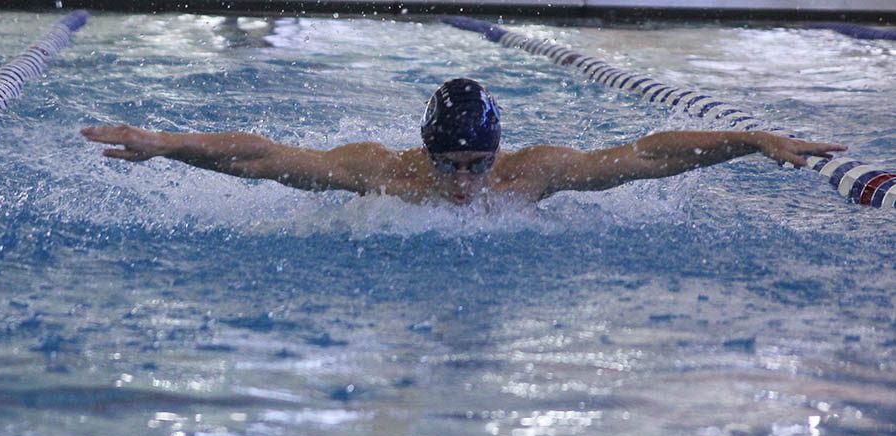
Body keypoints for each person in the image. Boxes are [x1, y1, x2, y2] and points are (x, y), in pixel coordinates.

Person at [81, 78, 845, 206]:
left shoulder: (534, 175)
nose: (465, 180)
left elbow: (647, 155)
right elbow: (269, 158)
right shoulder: (382, 174)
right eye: (449, 164)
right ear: (424, 152)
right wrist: (167, 143)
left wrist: (749, 139)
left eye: (477, 164)